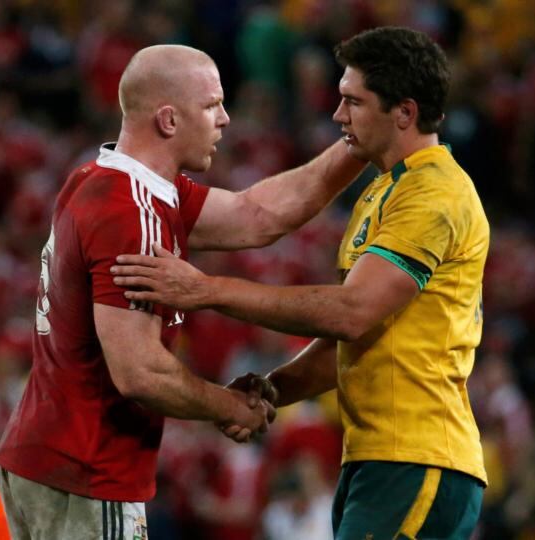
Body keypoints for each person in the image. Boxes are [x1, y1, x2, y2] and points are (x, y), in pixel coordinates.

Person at [112, 27, 488, 539]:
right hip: (380, 459)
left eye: (353, 102)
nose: (338, 117)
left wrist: (208, 290)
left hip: (418, 459)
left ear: (404, 112)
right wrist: (273, 389)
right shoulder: (384, 192)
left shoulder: (433, 195)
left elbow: (351, 311)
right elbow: (352, 339)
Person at [0, 44, 364, 539]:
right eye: (212, 105)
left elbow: (260, 215)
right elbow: (139, 371)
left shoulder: (111, 182)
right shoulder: (130, 212)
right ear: (168, 120)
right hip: (84, 470)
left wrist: (357, 142)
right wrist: (227, 406)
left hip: (50, 460)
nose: (226, 119)